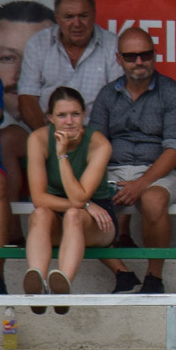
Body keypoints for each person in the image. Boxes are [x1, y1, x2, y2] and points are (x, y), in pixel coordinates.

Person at [87, 28, 176, 294]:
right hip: (113, 171)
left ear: (155, 55)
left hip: (161, 173)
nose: (139, 62)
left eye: (145, 55)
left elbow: (175, 151)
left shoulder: (173, 92)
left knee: (153, 199)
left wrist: (141, 184)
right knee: (78, 205)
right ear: (118, 59)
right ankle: (122, 273)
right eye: (131, 56)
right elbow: (95, 145)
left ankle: (154, 278)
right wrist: (98, 183)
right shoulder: (107, 95)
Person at [20, 87, 114, 314]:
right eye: (62, 115)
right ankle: (37, 285)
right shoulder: (38, 139)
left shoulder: (99, 144)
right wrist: (87, 205)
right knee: (40, 214)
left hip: (96, 221)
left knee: (73, 215)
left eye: (75, 114)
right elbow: (38, 198)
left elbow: (79, 198)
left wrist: (62, 155)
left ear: (84, 115)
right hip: (63, 213)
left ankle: (62, 286)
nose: (69, 121)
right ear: (50, 118)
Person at [18, 0, 120, 130]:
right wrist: (49, 137)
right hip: (46, 129)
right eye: (69, 17)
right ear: (57, 18)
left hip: (94, 133)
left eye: (83, 16)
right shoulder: (39, 43)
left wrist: (90, 138)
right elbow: (27, 97)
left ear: (94, 15)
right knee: (11, 137)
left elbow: (117, 103)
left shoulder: (113, 45)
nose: (77, 24)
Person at [0, 0, 54, 258]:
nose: (20, 73)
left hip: (63, 130)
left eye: (34, 58)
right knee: (7, 139)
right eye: (8, 58)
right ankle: (12, 232)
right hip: (24, 135)